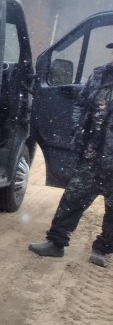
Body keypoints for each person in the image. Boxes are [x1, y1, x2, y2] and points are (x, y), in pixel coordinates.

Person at [29, 42, 113, 267]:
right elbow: (80, 103)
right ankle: (56, 243)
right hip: (92, 155)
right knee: (72, 199)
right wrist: (78, 128)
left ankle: (102, 249)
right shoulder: (100, 75)